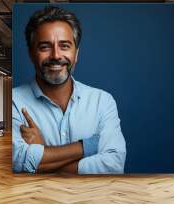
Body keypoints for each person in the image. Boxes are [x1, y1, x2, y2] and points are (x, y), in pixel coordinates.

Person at [12, 6, 126, 174]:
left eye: (64, 46)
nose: (56, 55)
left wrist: (42, 156)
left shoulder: (102, 101)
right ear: (31, 54)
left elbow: (113, 166)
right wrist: (86, 146)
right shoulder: (14, 101)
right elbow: (15, 160)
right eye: (45, 47)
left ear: (76, 53)